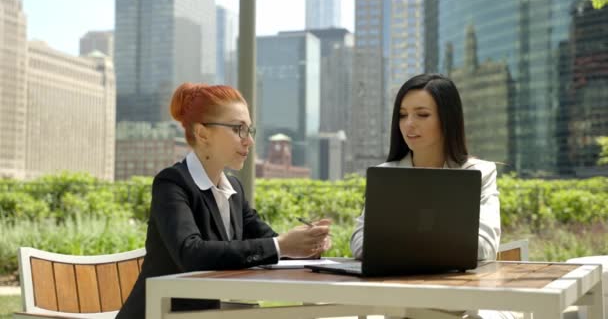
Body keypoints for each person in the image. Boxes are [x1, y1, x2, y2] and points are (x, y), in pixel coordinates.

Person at [117, 83, 331, 319]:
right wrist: (282, 245)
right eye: (238, 129)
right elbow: (191, 253)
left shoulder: (233, 190)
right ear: (202, 133)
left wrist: (306, 245)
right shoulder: (172, 183)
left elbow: (265, 242)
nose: (248, 140)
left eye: (250, 130)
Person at [350, 73, 511, 319]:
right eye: (403, 115)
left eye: (422, 115)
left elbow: (484, 247)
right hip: (401, 303)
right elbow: (361, 242)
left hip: (461, 302)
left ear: (447, 120)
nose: (409, 124)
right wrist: (441, 249)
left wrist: (396, 250)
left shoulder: (479, 173)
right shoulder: (385, 175)